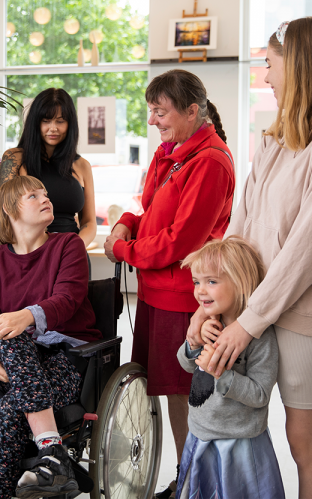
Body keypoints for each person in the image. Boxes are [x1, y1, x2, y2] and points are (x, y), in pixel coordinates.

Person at [191, 17, 312, 499]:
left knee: (306, 442)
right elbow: (242, 227)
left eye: (270, 64)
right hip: (258, 308)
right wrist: (212, 299)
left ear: (297, 65)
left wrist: (247, 322)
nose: (265, 77)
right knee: (245, 426)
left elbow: (309, 246)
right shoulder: (279, 135)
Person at [103, 69, 235, 498]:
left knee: (187, 396)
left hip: (183, 297)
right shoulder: (176, 153)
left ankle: (195, 483)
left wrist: (123, 250)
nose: (154, 121)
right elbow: (154, 216)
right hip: (158, 294)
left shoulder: (210, 161)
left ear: (193, 111)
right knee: (172, 394)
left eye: (161, 112)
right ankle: (188, 477)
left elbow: (182, 241)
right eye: (152, 112)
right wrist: (126, 223)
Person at [0, 175, 101, 499]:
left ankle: (47, 456)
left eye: (45, 193)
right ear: (9, 209)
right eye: (32, 196)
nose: (45, 198)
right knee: (8, 336)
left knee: (8, 410)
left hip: (68, 358)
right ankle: (56, 459)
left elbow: (68, 298)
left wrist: (27, 316)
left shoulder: (67, 245)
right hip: (14, 365)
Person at [175, 237, 285, 499]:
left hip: (239, 444)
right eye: (197, 282)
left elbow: (260, 395)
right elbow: (187, 366)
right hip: (200, 433)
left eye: (211, 282)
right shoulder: (209, 323)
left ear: (240, 283)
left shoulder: (260, 337)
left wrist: (222, 375)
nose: (201, 290)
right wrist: (194, 343)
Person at [0, 88, 96, 248]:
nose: (53, 128)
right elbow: (6, 215)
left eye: (60, 121)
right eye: (46, 121)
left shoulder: (82, 166)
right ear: (35, 122)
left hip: (71, 254)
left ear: (70, 124)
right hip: (28, 253)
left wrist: (73, 248)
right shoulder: (14, 158)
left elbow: (89, 222)